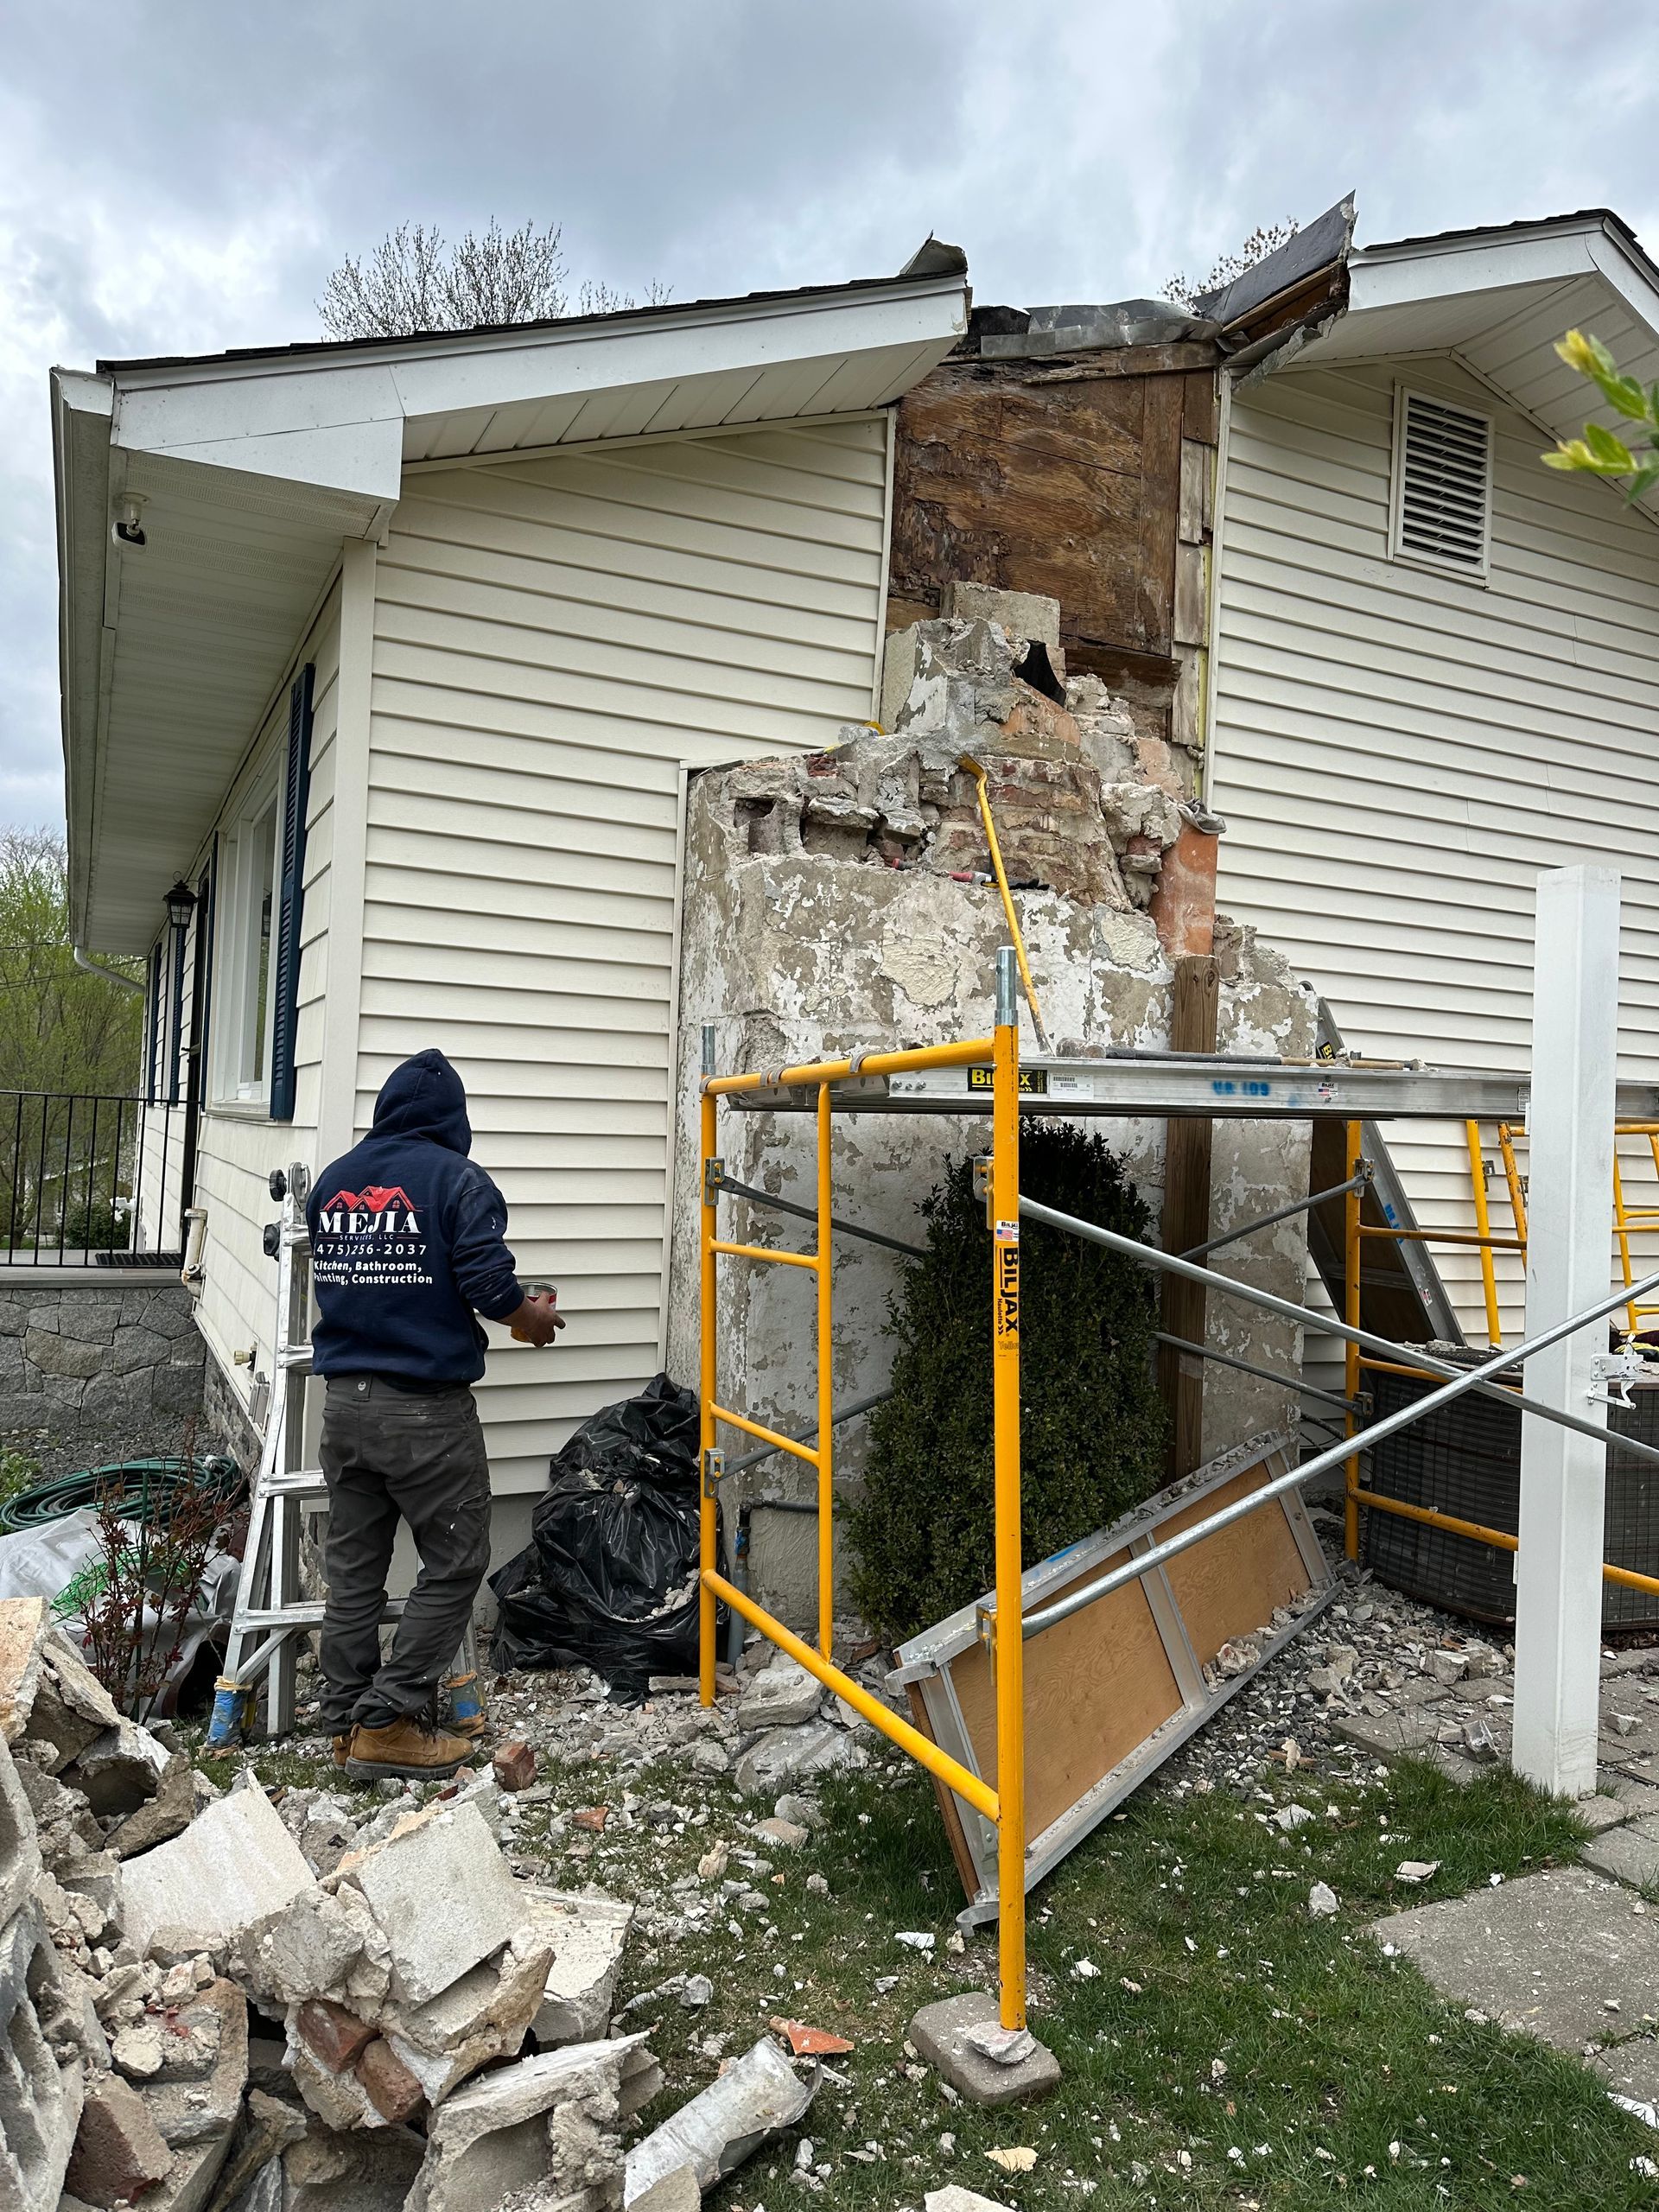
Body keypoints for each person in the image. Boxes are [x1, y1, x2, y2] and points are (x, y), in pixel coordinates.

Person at [306, 1048, 563, 1778]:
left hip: (345, 1407)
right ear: (454, 1122)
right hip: (423, 1413)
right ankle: (387, 1722)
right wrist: (530, 1318)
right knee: (455, 1562)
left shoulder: (335, 1181)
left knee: (354, 1570)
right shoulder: (456, 1179)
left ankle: (344, 1721)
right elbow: (486, 1281)